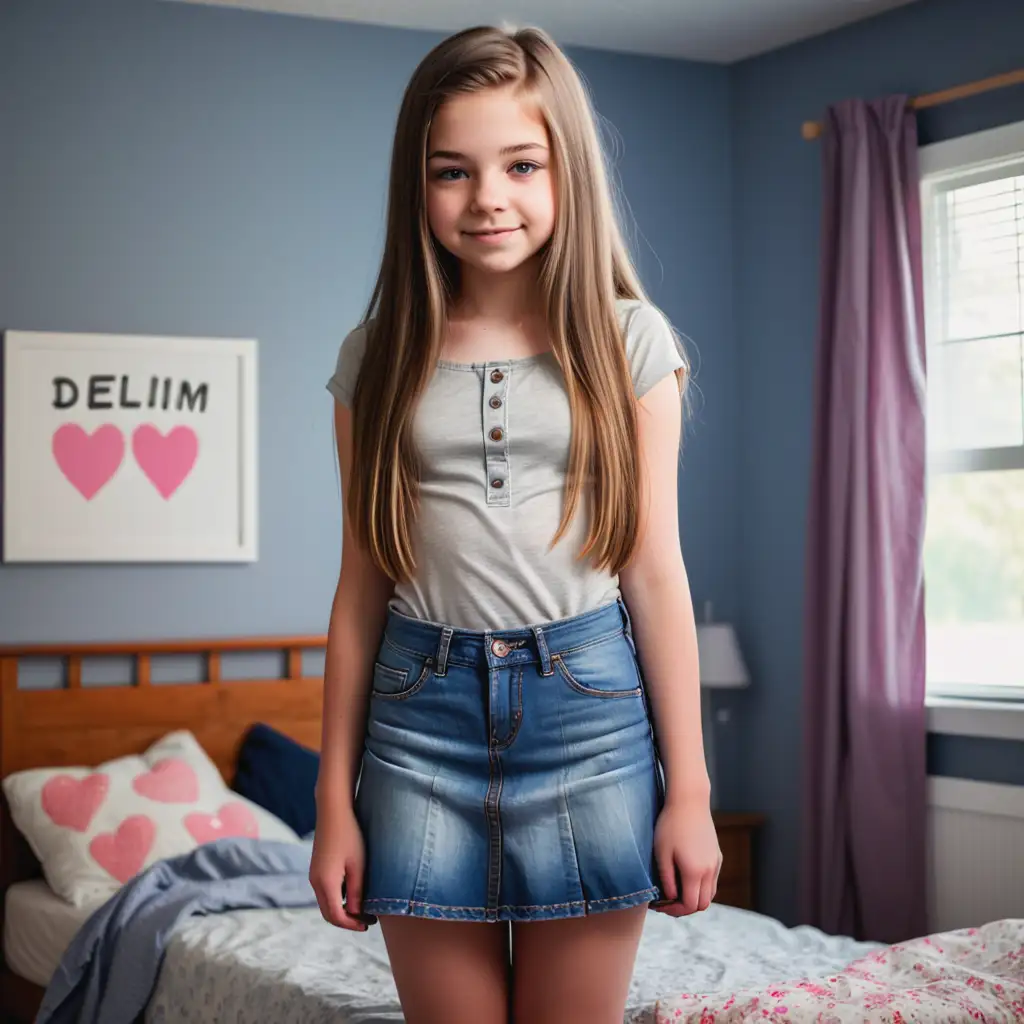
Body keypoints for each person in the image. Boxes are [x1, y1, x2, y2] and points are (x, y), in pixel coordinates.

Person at [310, 23, 721, 1024]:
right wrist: (331, 804)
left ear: (563, 173)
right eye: (452, 170)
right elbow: (362, 582)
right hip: (417, 727)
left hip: (590, 718)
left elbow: (654, 572)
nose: (487, 195)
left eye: (520, 164)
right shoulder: (376, 356)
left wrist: (691, 791)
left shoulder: (629, 341)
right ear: (419, 185)